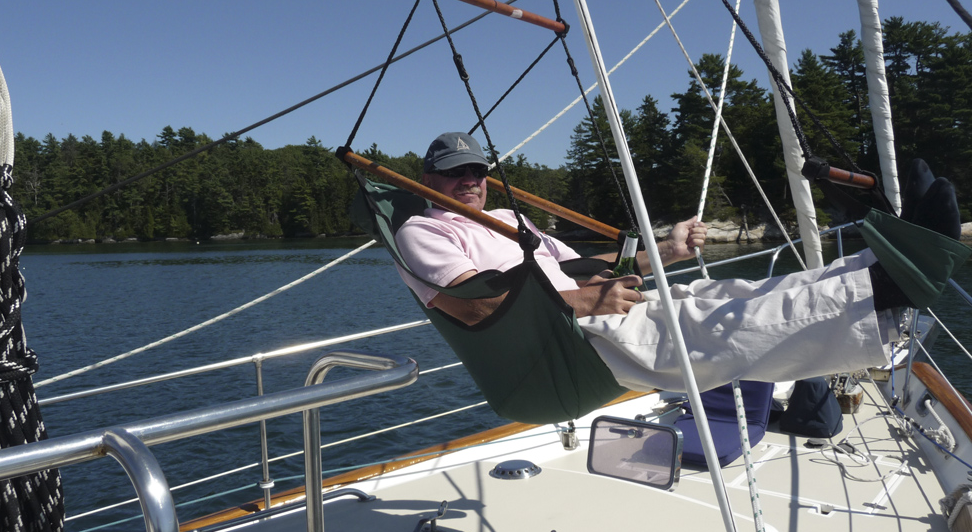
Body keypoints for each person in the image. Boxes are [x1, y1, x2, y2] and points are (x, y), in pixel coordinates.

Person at [395, 132, 965, 392]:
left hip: (589, 314)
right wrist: (583, 302)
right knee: (722, 324)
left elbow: (580, 270)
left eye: (477, 172)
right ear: (428, 182)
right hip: (565, 343)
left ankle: (871, 269)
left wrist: (663, 252)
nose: (470, 181)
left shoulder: (511, 223)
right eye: (455, 173)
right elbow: (476, 309)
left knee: (733, 296)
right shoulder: (423, 230)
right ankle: (889, 289)